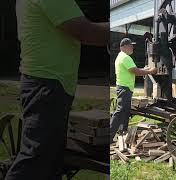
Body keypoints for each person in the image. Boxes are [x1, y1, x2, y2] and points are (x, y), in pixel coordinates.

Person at [5, 0, 109, 179]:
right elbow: (86, 32)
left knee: (48, 162)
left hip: (46, 85)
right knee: (35, 161)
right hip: (47, 86)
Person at [110, 38, 157, 141]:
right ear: (124, 46)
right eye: (131, 45)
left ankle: (123, 132)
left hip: (124, 88)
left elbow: (135, 70)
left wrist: (148, 69)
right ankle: (109, 136)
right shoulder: (125, 57)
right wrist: (150, 71)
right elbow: (136, 71)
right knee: (120, 111)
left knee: (125, 111)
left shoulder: (122, 56)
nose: (132, 47)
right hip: (124, 88)